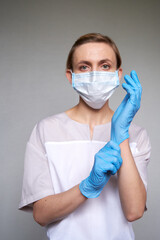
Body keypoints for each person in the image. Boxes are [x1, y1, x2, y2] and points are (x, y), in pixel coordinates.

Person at [19, 33, 151, 240]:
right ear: (71, 76)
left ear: (118, 74)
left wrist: (120, 133)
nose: (95, 74)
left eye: (105, 66)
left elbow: (134, 211)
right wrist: (88, 186)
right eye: (84, 67)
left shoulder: (136, 135)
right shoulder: (46, 130)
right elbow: (41, 214)